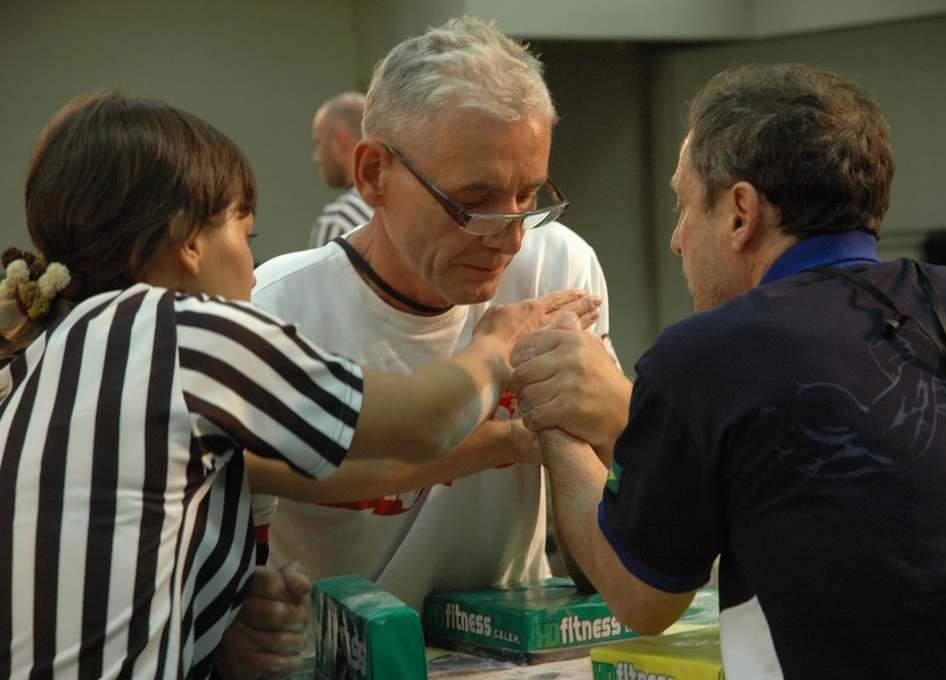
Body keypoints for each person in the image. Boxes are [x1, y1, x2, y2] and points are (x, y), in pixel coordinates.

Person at [0, 91, 599, 680]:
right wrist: (495, 344)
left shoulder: (35, 358)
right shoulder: (186, 334)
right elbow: (425, 424)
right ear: (187, 243)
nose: (250, 269)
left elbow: (336, 473)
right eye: (245, 235)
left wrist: (223, 606)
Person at [512, 63, 946, 679]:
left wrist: (552, 409)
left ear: (739, 214)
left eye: (682, 205)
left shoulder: (704, 357)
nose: (677, 239)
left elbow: (641, 596)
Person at [247, 15, 615, 616]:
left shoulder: (559, 267)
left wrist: (608, 416)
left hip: (511, 646)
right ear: (373, 175)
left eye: (529, 195)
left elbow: (606, 555)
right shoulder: (275, 309)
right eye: (472, 202)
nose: (512, 237)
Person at [309, 92, 373, 248]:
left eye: (318, 144)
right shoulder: (401, 209)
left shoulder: (338, 221)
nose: (316, 158)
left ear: (339, 142)